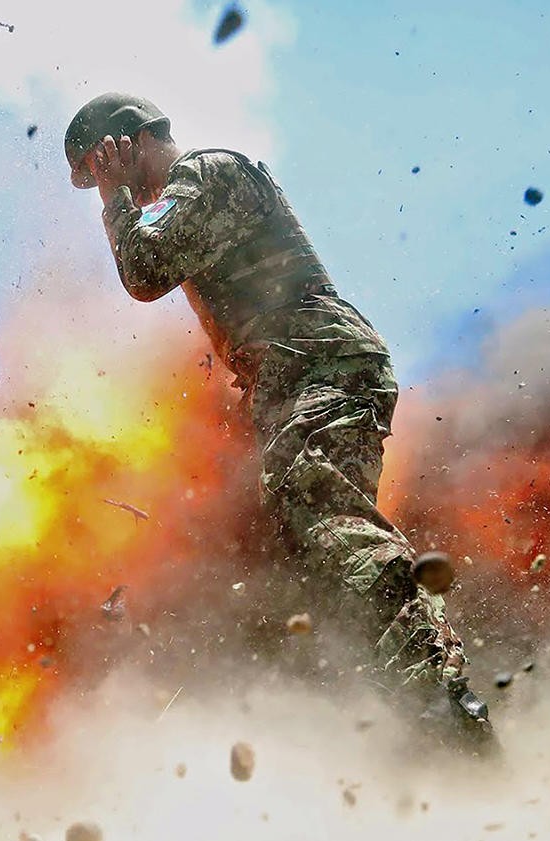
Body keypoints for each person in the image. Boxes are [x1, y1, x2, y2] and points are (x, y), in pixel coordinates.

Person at [64, 92, 492, 742]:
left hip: (316, 360)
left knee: (319, 509)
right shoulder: (197, 192)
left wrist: (115, 200)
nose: (102, 184)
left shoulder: (203, 174)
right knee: (284, 558)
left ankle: (435, 687)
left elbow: (144, 271)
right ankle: (382, 714)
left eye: (100, 167)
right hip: (295, 371)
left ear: (128, 144)